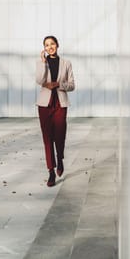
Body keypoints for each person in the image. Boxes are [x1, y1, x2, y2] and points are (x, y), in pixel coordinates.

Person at [36, 36, 75, 187]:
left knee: (60, 135)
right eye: (47, 45)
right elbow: (39, 80)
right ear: (44, 48)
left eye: (52, 44)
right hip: (44, 105)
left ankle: (60, 159)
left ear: (57, 45)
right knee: (47, 138)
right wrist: (42, 63)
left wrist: (59, 84)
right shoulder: (41, 62)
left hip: (60, 103)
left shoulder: (66, 63)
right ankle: (51, 171)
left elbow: (72, 85)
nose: (50, 47)